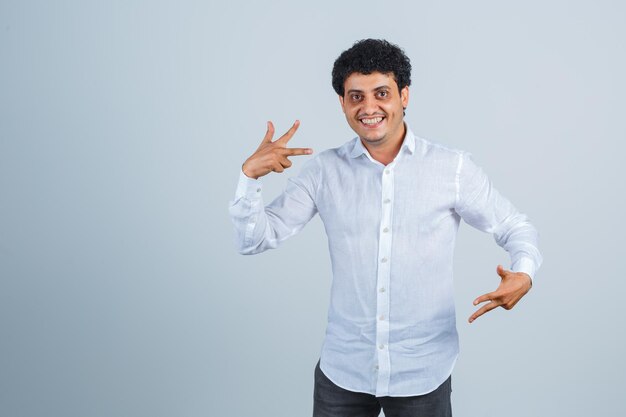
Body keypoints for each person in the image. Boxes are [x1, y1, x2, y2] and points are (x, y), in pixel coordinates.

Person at [229, 39, 542, 417]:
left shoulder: (451, 168)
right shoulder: (324, 172)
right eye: (355, 96)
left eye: (381, 93)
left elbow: (514, 225)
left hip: (423, 371)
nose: (369, 107)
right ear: (343, 103)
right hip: (343, 371)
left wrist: (523, 273)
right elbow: (255, 239)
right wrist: (249, 178)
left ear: (404, 95)